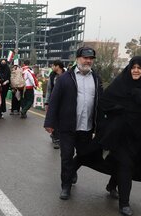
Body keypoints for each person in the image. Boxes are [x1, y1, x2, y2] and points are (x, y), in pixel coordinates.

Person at [95, 56, 141, 216]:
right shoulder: (120, 83)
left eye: (139, 68)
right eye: (133, 67)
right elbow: (105, 101)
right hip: (120, 135)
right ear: (129, 68)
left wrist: (140, 95)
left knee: (125, 165)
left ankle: (112, 185)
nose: (136, 70)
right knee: (125, 165)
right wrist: (119, 109)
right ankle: (124, 204)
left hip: (139, 137)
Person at [44, 46, 103, 200]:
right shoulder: (65, 78)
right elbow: (54, 101)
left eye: (91, 58)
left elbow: (100, 102)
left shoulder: (96, 79)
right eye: (85, 58)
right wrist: (49, 122)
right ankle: (65, 185)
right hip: (67, 126)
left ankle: (71, 171)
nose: (88, 61)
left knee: (84, 155)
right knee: (66, 156)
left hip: (87, 127)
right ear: (78, 59)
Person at [44, 60, 66, 149]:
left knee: (62, 119)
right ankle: (57, 139)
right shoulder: (52, 75)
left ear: (58, 66)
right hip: (54, 100)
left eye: (53, 65)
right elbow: (49, 89)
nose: (52, 67)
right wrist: (47, 102)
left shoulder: (67, 75)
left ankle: (56, 135)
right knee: (55, 119)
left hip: (64, 101)